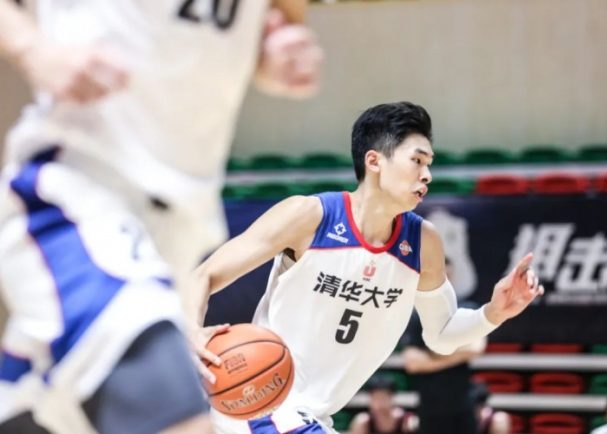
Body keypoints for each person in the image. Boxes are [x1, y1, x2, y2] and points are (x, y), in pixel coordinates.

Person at [0, 1, 323, 433]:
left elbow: (274, 20)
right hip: (78, 185)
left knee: (49, 414)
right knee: (180, 418)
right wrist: (33, 50)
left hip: (180, 222)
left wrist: (275, 50)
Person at [186, 101, 545, 433]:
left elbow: (441, 334)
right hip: (262, 403)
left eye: (430, 164)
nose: (427, 175)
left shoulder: (423, 243)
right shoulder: (310, 216)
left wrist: (493, 313)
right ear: (374, 161)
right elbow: (203, 275)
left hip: (312, 416)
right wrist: (191, 332)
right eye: (417, 161)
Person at [401, 304, 486, 434]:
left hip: (463, 405)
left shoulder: (465, 309)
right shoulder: (418, 316)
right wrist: (458, 351)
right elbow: (412, 363)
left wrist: (433, 354)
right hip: (430, 408)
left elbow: (476, 348)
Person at [348, 374, 417, 434]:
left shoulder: (406, 421)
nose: (380, 403)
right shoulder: (363, 423)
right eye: (376, 398)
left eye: (383, 398)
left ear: (391, 397)